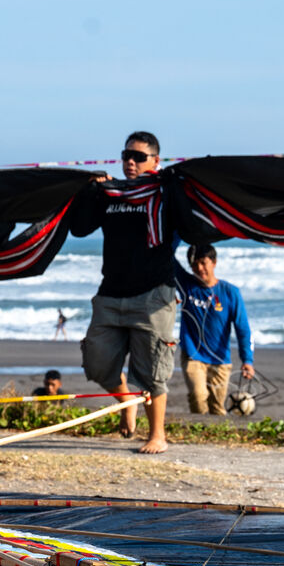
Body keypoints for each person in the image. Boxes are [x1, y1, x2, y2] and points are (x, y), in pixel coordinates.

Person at [69, 130, 177, 453]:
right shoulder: (111, 193)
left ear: (155, 161)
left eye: (139, 157)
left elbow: (191, 221)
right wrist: (91, 192)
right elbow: (79, 228)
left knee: (152, 371)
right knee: (97, 364)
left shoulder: (165, 193)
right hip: (111, 293)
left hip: (153, 295)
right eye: (126, 155)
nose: (131, 162)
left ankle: (157, 435)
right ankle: (127, 399)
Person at [175, 244, 254, 415]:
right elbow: (168, 258)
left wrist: (247, 360)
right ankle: (199, 429)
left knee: (217, 408)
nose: (199, 268)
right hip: (193, 354)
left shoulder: (230, 292)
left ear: (214, 262)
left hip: (220, 359)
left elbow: (243, 328)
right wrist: (176, 234)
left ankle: (211, 431)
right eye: (194, 264)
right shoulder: (186, 285)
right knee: (198, 396)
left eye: (203, 263)